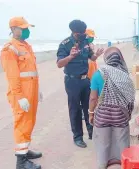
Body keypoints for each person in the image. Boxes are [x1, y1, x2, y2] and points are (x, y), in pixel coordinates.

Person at [0, 17, 42, 169]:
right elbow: (12, 75)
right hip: (21, 94)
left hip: (31, 91)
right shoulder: (9, 49)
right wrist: (19, 97)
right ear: (13, 29)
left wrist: (38, 89)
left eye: (27, 28)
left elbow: (31, 71)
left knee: (30, 122)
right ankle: (21, 162)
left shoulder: (26, 46)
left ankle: (24, 151)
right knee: (22, 124)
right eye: (23, 28)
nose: (26, 30)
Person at [57, 20, 104, 148]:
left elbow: (91, 58)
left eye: (84, 32)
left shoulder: (85, 42)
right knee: (75, 110)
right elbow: (59, 63)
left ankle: (91, 133)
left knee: (89, 107)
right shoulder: (65, 44)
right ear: (74, 32)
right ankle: (77, 137)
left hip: (85, 79)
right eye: (81, 33)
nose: (83, 35)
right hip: (72, 81)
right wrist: (70, 57)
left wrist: (97, 55)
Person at [89, 47, 135, 169]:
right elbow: (130, 98)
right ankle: (124, 164)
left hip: (102, 115)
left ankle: (102, 165)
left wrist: (91, 113)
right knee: (122, 144)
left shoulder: (98, 74)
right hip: (120, 115)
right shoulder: (124, 76)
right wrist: (128, 113)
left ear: (106, 59)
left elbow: (93, 98)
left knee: (102, 144)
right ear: (120, 59)